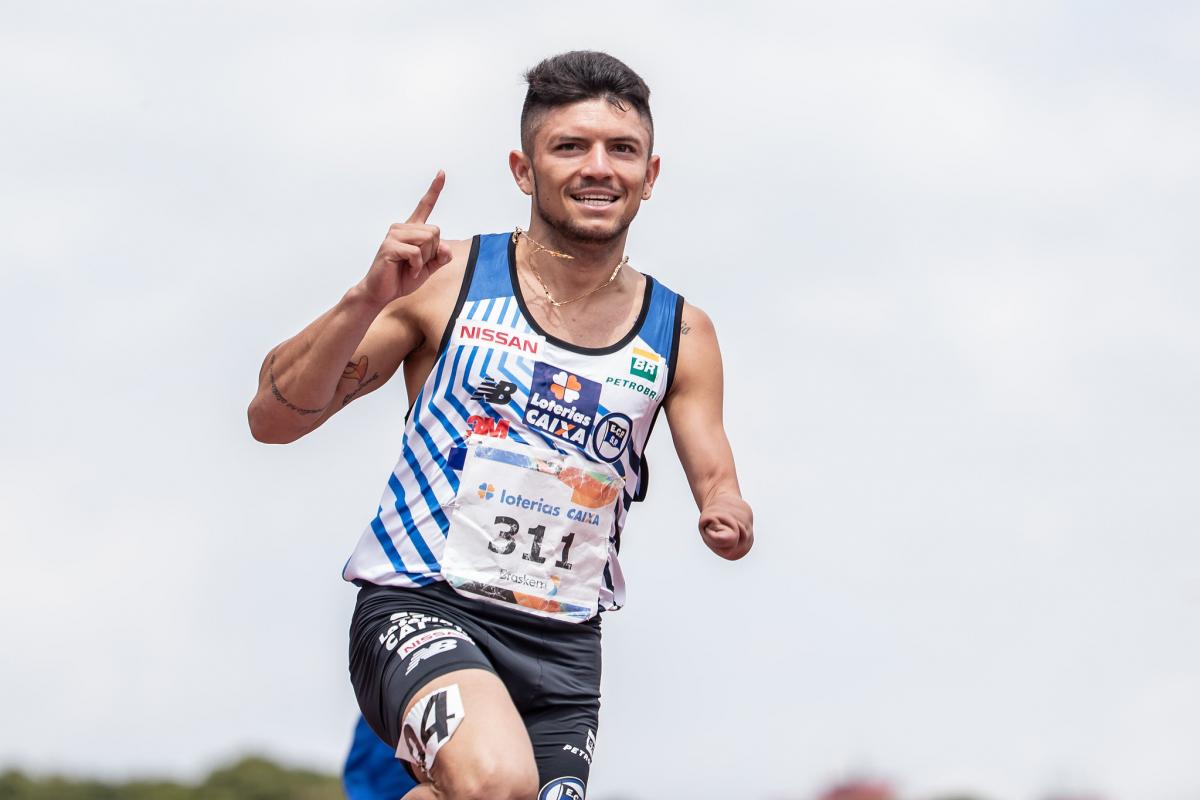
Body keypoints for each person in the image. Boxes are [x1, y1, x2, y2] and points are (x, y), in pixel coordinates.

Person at [248, 50, 753, 800]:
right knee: (496, 782)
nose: (598, 168)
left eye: (622, 150)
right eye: (569, 147)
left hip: (564, 645)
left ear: (650, 176)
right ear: (524, 169)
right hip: (424, 602)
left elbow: (717, 478)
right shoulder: (444, 278)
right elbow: (273, 417)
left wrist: (727, 512)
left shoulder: (681, 332)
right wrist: (364, 298)